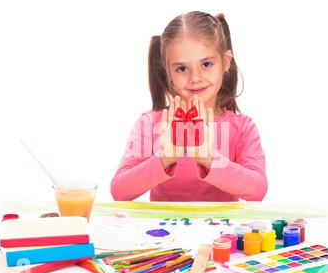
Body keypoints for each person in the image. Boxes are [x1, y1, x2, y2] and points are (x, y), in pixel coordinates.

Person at [110, 11, 267, 202]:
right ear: (168, 72)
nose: (195, 78)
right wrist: (164, 158)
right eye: (182, 69)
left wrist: (209, 159)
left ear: (225, 62)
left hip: (221, 231)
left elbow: (258, 190)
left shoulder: (242, 127)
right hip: (164, 231)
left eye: (206, 64)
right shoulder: (150, 124)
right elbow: (120, 190)